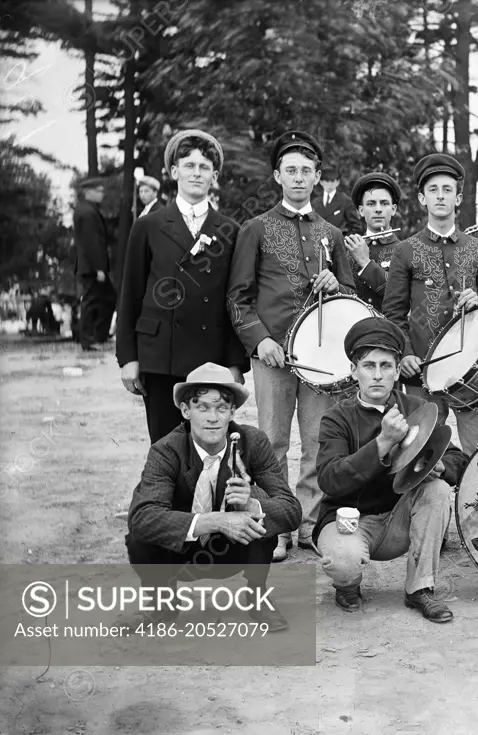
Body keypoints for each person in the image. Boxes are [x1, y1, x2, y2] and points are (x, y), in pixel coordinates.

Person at [227, 130, 357, 561]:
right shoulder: (256, 229)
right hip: (274, 355)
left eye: (307, 171)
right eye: (291, 171)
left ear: (318, 177)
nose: (299, 178)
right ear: (277, 176)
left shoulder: (332, 234)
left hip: (323, 360)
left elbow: (350, 297)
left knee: (319, 442)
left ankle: (308, 523)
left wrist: (337, 282)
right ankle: (276, 526)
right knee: (272, 443)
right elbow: (238, 297)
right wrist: (259, 340)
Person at [124, 362, 300, 632]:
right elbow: (142, 517)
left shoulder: (253, 442)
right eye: (202, 407)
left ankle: (256, 597)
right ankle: (162, 604)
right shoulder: (166, 450)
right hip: (179, 552)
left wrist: (253, 503)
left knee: (261, 517)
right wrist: (215, 521)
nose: (212, 417)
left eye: (221, 408)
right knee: (139, 536)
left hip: (233, 549)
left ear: (232, 411)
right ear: (186, 411)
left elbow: (291, 511)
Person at [315, 318, 468, 623]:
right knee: (343, 561)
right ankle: (347, 585)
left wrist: (439, 466)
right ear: (353, 371)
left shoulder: (415, 407)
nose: (377, 375)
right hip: (350, 520)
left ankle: (420, 589)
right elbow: (330, 479)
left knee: (437, 489)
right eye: (368, 366)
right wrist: (383, 442)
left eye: (386, 366)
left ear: (398, 372)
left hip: (400, 520)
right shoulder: (337, 417)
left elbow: (458, 460)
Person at [118, 129, 249, 443]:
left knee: (208, 446)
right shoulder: (148, 226)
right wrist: (129, 358)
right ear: (174, 172)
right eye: (189, 166)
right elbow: (131, 294)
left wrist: (234, 363)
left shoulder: (229, 230)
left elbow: (235, 300)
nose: (196, 173)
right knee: (164, 447)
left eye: (204, 168)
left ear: (214, 176)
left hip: (210, 358)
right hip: (160, 355)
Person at [381, 153, 478, 451]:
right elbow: (393, 312)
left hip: (472, 366)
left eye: (447, 190)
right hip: (422, 368)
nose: (440, 196)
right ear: (422, 198)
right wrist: (405, 354)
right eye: (433, 190)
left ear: (458, 198)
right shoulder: (405, 250)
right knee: (419, 452)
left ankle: (475, 499)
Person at [343, 172, 403, 311]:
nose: (378, 209)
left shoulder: (406, 250)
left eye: (384, 203)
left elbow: (400, 296)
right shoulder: (348, 250)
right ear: (361, 211)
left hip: (390, 330)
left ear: (393, 209)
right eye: (371, 204)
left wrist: (365, 263)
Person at [74, 176, 117, 351]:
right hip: (92, 266)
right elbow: (92, 243)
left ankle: (97, 335)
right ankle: (88, 339)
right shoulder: (88, 212)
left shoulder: (87, 210)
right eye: (99, 191)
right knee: (91, 300)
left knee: (107, 298)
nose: (102, 194)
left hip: (90, 265)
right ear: (88, 192)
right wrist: (99, 268)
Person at [313, 164, 361, 235]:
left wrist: (345, 241)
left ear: (337, 182)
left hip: (340, 242)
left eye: (332, 181)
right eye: (326, 181)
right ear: (321, 182)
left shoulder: (345, 200)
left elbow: (357, 226)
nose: (329, 184)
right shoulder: (315, 202)